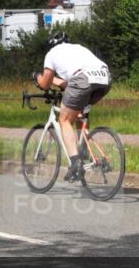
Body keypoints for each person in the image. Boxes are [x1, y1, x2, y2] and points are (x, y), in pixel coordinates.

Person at [33, 31, 112, 181]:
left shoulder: (51, 53)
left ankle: (75, 164)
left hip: (82, 79)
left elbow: (45, 83)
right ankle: (83, 151)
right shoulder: (78, 48)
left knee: (64, 120)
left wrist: (37, 78)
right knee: (78, 115)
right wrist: (57, 82)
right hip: (104, 78)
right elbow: (70, 83)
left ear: (51, 44)